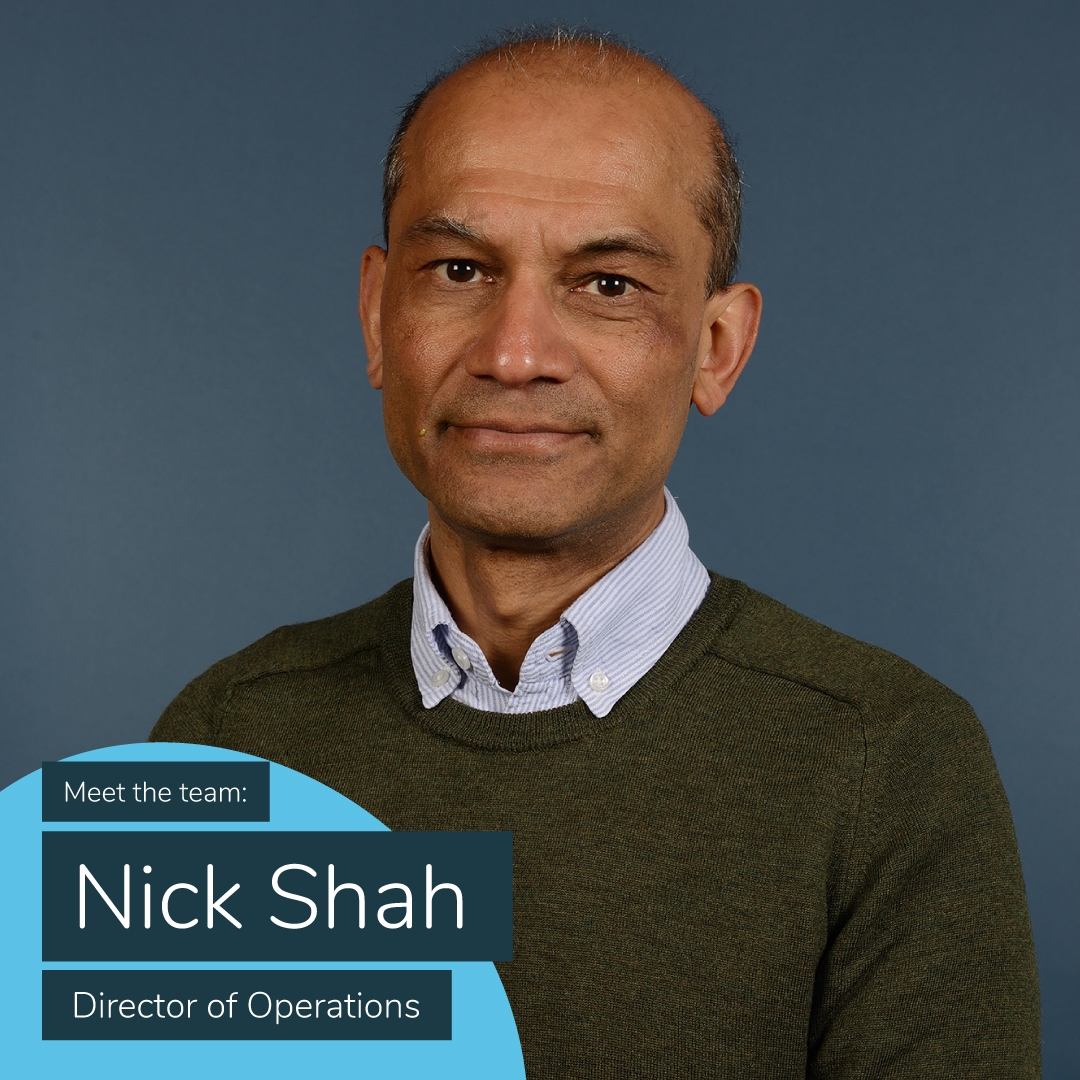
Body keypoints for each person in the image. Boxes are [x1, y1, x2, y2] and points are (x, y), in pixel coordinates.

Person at [151, 28, 1040, 1077]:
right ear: (378, 316)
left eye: (609, 284)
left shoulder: (888, 762)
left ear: (717, 348)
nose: (515, 353)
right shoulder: (228, 740)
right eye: (459, 269)